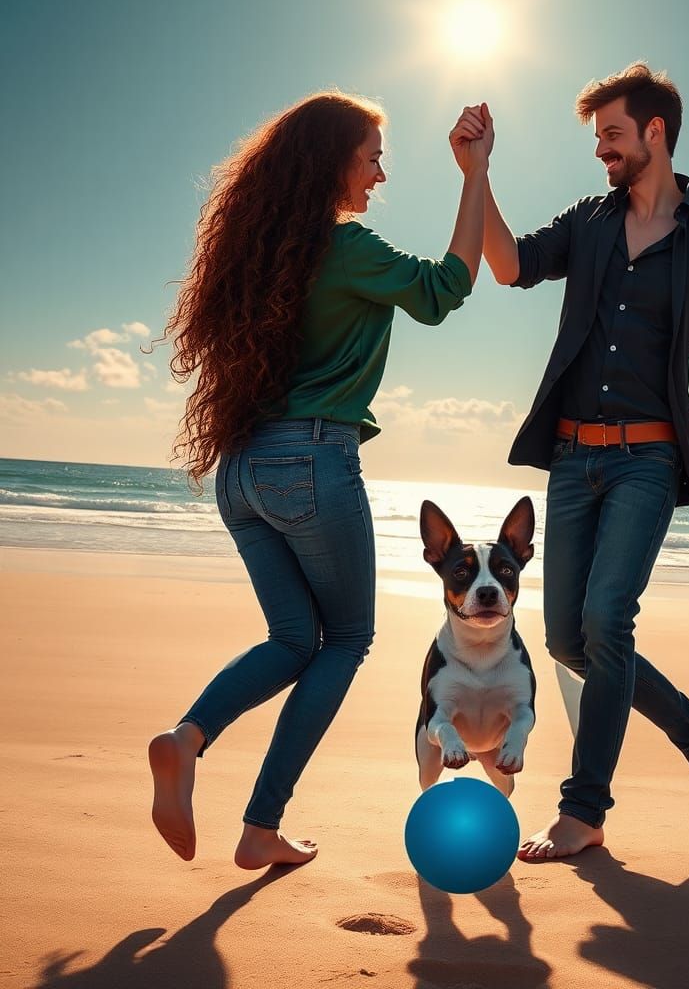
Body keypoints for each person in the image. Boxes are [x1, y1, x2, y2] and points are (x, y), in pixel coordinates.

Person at [148, 90, 492, 869]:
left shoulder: (261, 253)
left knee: (294, 638)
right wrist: (475, 175)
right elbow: (445, 290)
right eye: (372, 157)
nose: (379, 175)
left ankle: (187, 740)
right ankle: (259, 820)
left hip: (243, 472)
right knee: (346, 640)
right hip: (312, 462)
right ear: (332, 160)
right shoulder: (347, 247)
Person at [454, 63, 689, 861]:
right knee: (566, 639)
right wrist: (478, 176)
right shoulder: (590, 222)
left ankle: (584, 810)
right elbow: (511, 264)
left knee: (608, 620)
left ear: (655, 133)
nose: (603, 153)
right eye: (599, 141)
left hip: (649, 464)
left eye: (614, 136)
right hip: (572, 460)